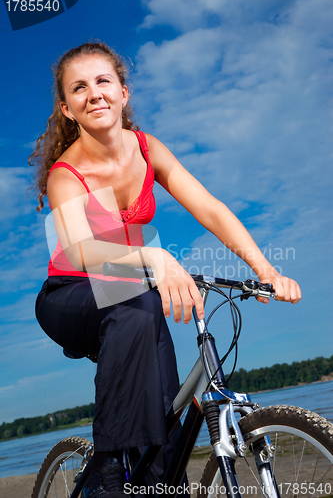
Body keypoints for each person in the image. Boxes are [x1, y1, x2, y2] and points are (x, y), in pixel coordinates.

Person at [30, 41, 301, 498]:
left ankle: (156, 484)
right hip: (68, 297)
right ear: (67, 109)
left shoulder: (147, 149)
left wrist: (266, 270)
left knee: (163, 411)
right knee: (139, 305)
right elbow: (79, 251)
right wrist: (154, 257)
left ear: (123, 91)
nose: (93, 92)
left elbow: (211, 210)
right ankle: (109, 467)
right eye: (79, 88)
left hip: (129, 294)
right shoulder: (65, 173)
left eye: (103, 81)